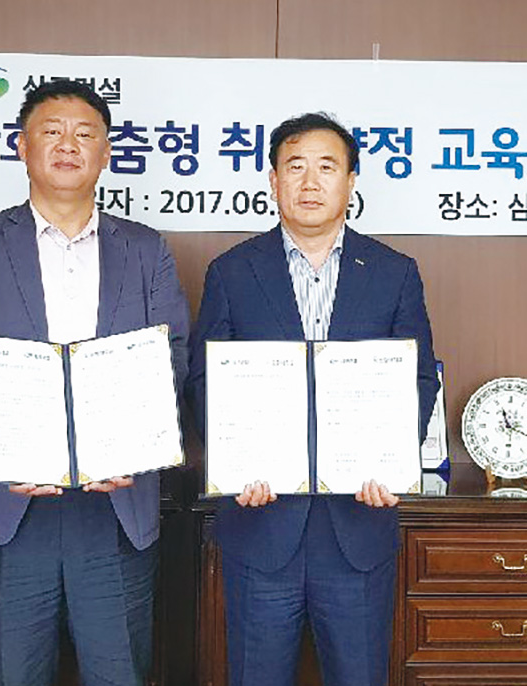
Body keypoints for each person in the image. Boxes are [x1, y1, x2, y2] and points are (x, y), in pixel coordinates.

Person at [0, 80, 189, 686]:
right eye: (52, 131)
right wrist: (5, 449)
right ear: (22, 145)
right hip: (11, 507)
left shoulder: (145, 249)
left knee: (119, 673)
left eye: (85, 134)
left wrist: (129, 444)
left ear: (106, 152)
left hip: (114, 506)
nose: (68, 145)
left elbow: (170, 354)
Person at [186, 112, 439, 686]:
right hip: (261, 522)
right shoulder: (233, 271)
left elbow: (418, 378)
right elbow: (205, 380)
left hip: (358, 523)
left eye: (327, 167)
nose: (310, 182)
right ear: (273, 180)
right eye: (295, 166)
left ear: (351, 182)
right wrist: (235, 465)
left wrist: (392, 463)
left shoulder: (394, 272)